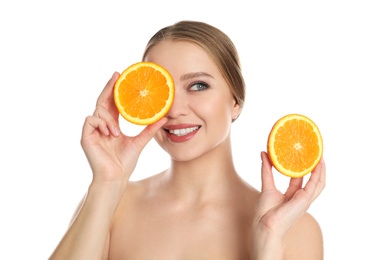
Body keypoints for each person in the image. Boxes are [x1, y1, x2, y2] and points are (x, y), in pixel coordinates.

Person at [50, 21, 326, 259]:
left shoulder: (292, 229)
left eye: (198, 86)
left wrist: (268, 242)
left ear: (236, 101)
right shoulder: (112, 204)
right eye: (159, 90)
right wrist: (107, 181)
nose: (173, 109)